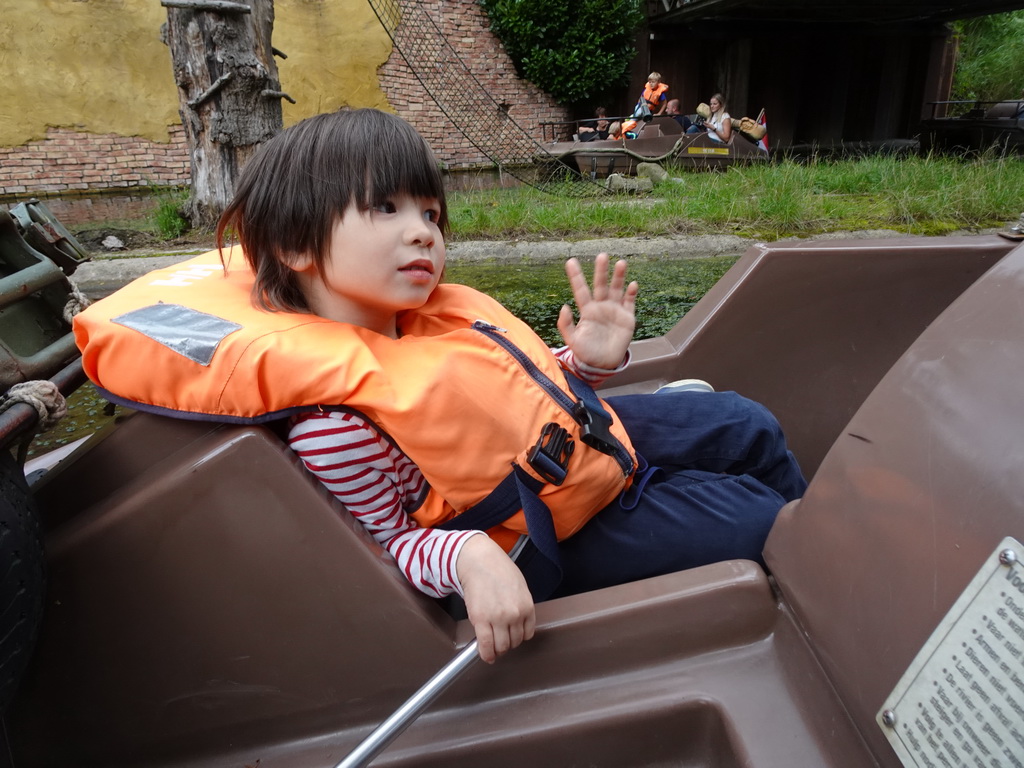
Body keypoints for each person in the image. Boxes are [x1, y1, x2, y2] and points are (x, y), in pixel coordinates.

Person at [79, 109, 806, 666]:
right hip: (540, 528)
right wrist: (466, 557)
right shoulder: (338, 421)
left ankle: (810, 536)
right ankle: (808, 590)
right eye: (387, 210)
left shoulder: (420, 322)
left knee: (745, 422)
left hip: (582, 441)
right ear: (297, 247)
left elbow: (507, 400)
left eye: (430, 213)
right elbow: (392, 542)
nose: (424, 232)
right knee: (755, 518)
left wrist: (583, 363)